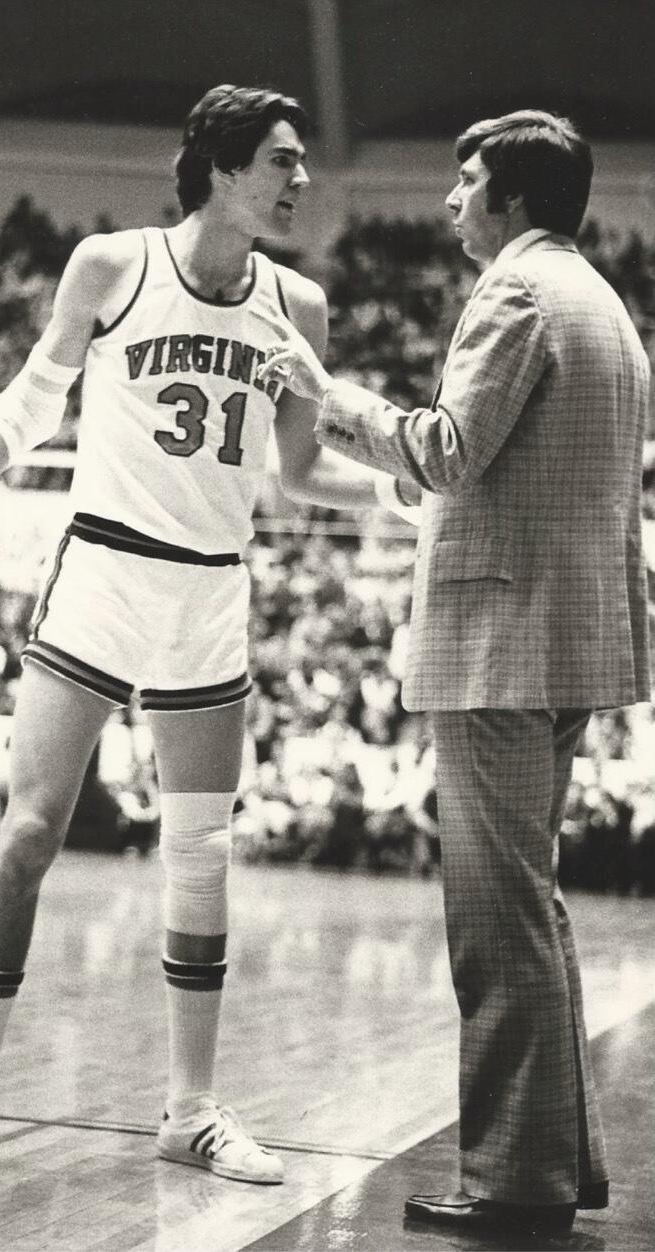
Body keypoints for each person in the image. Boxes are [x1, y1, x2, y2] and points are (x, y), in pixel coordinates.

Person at [0, 83, 403, 1187]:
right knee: (28, 831)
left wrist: (388, 501)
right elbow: (31, 402)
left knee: (201, 854)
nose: (301, 179)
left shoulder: (300, 307)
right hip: (103, 569)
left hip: (209, 590)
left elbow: (302, 470)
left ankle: (189, 1110)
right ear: (223, 168)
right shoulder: (112, 266)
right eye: (281, 159)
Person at [259, 110, 651, 1233]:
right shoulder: (602, 301)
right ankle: (561, 1162)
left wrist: (321, 393)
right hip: (568, 635)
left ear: (512, 199)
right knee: (535, 907)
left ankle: (517, 1180)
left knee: (498, 920)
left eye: (465, 181)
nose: (448, 200)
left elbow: (444, 451)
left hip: (499, 643)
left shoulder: (519, 295)